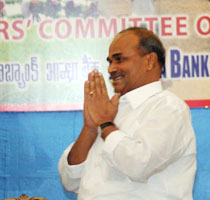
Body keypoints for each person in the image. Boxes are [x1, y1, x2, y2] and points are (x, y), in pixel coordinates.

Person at [58, 27, 197, 200]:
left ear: (149, 61)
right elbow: (70, 181)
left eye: (119, 60)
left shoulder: (169, 108)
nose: (111, 69)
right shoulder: (110, 111)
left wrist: (106, 126)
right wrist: (90, 128)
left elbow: (139, 164)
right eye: (110, 62)